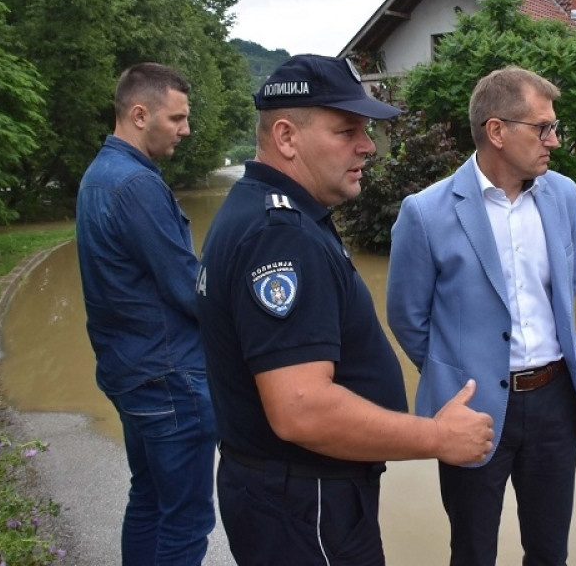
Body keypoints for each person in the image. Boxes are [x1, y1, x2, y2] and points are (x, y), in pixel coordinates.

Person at [195, 54, 494, 565]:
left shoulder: (268, 211)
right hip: (307, 504)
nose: (367, 146)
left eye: (366, 130)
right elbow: (301, 409)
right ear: (287, 137)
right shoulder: (279, 237)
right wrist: (437, 437)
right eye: (346, 130)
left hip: (291, 498)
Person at [387, 66, 576, 566]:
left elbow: (568, 287)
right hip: (471, 410)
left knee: (549, 550)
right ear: (497, 131)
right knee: (473, 552)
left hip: (555, 400)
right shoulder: (426, 212)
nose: (554, 141)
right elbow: (407, 317)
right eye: (543, 128)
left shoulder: (563, 195)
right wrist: (458, 372)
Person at [76, 63, 216, 565]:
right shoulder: (136, 185)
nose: (186, 129)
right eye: (177, 118)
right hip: (169, 378)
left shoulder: (98, 177)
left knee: (149, 499)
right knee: (187, 519)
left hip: (130, 371)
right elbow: (187, 285)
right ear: (140, 114)